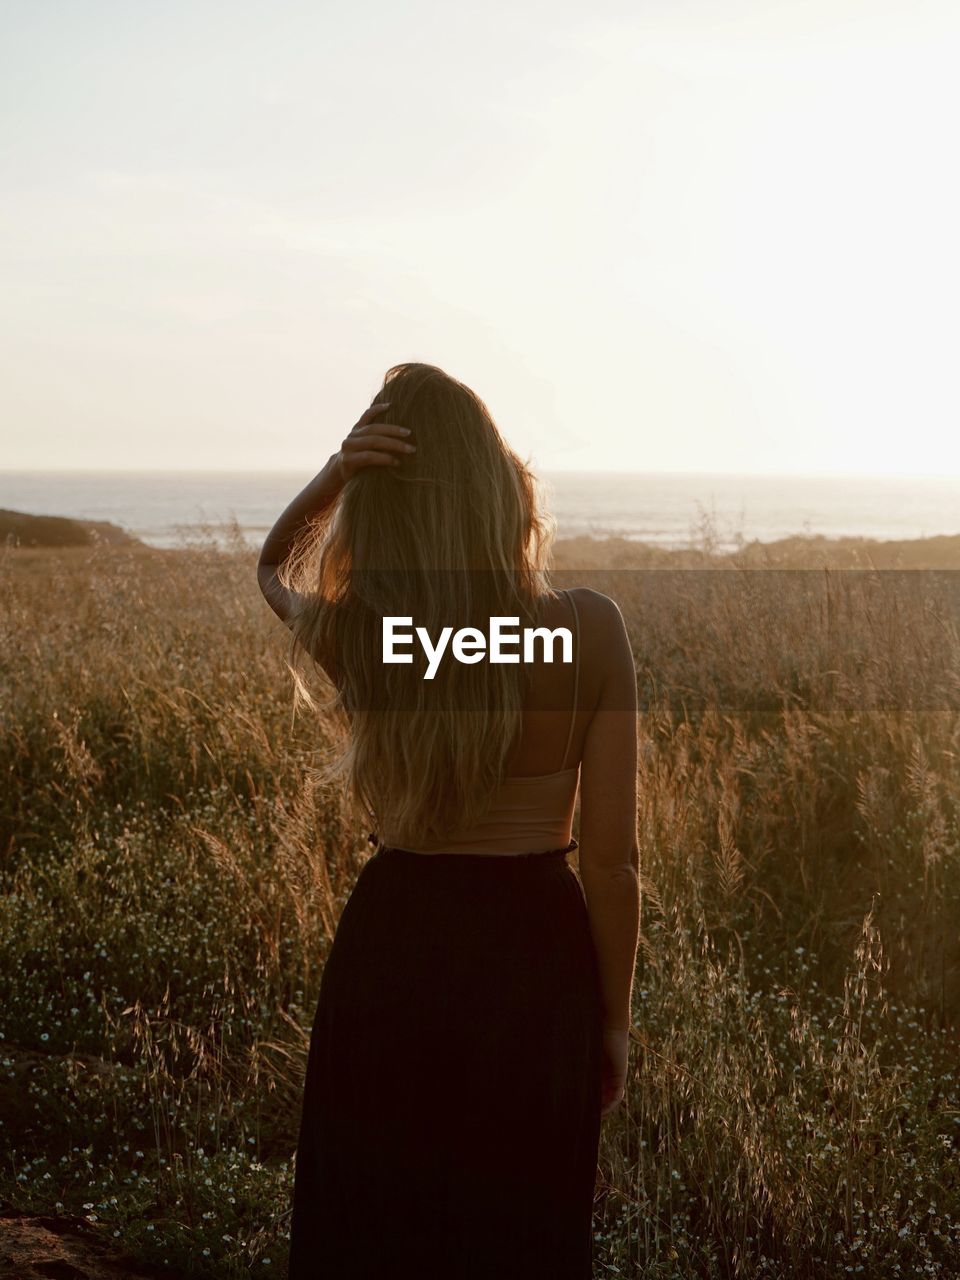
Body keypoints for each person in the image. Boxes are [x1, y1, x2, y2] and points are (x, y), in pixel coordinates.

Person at [257, 362, 640, 1280]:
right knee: (518, 1231)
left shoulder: (371, 638)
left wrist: (338, 473)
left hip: (396, 945)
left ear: (383, 512)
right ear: (501, 487)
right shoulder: (589, 630)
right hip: (534, 958)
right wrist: (614, 1025)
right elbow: (616, 868)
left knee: (382, 1225)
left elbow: (271, 568)